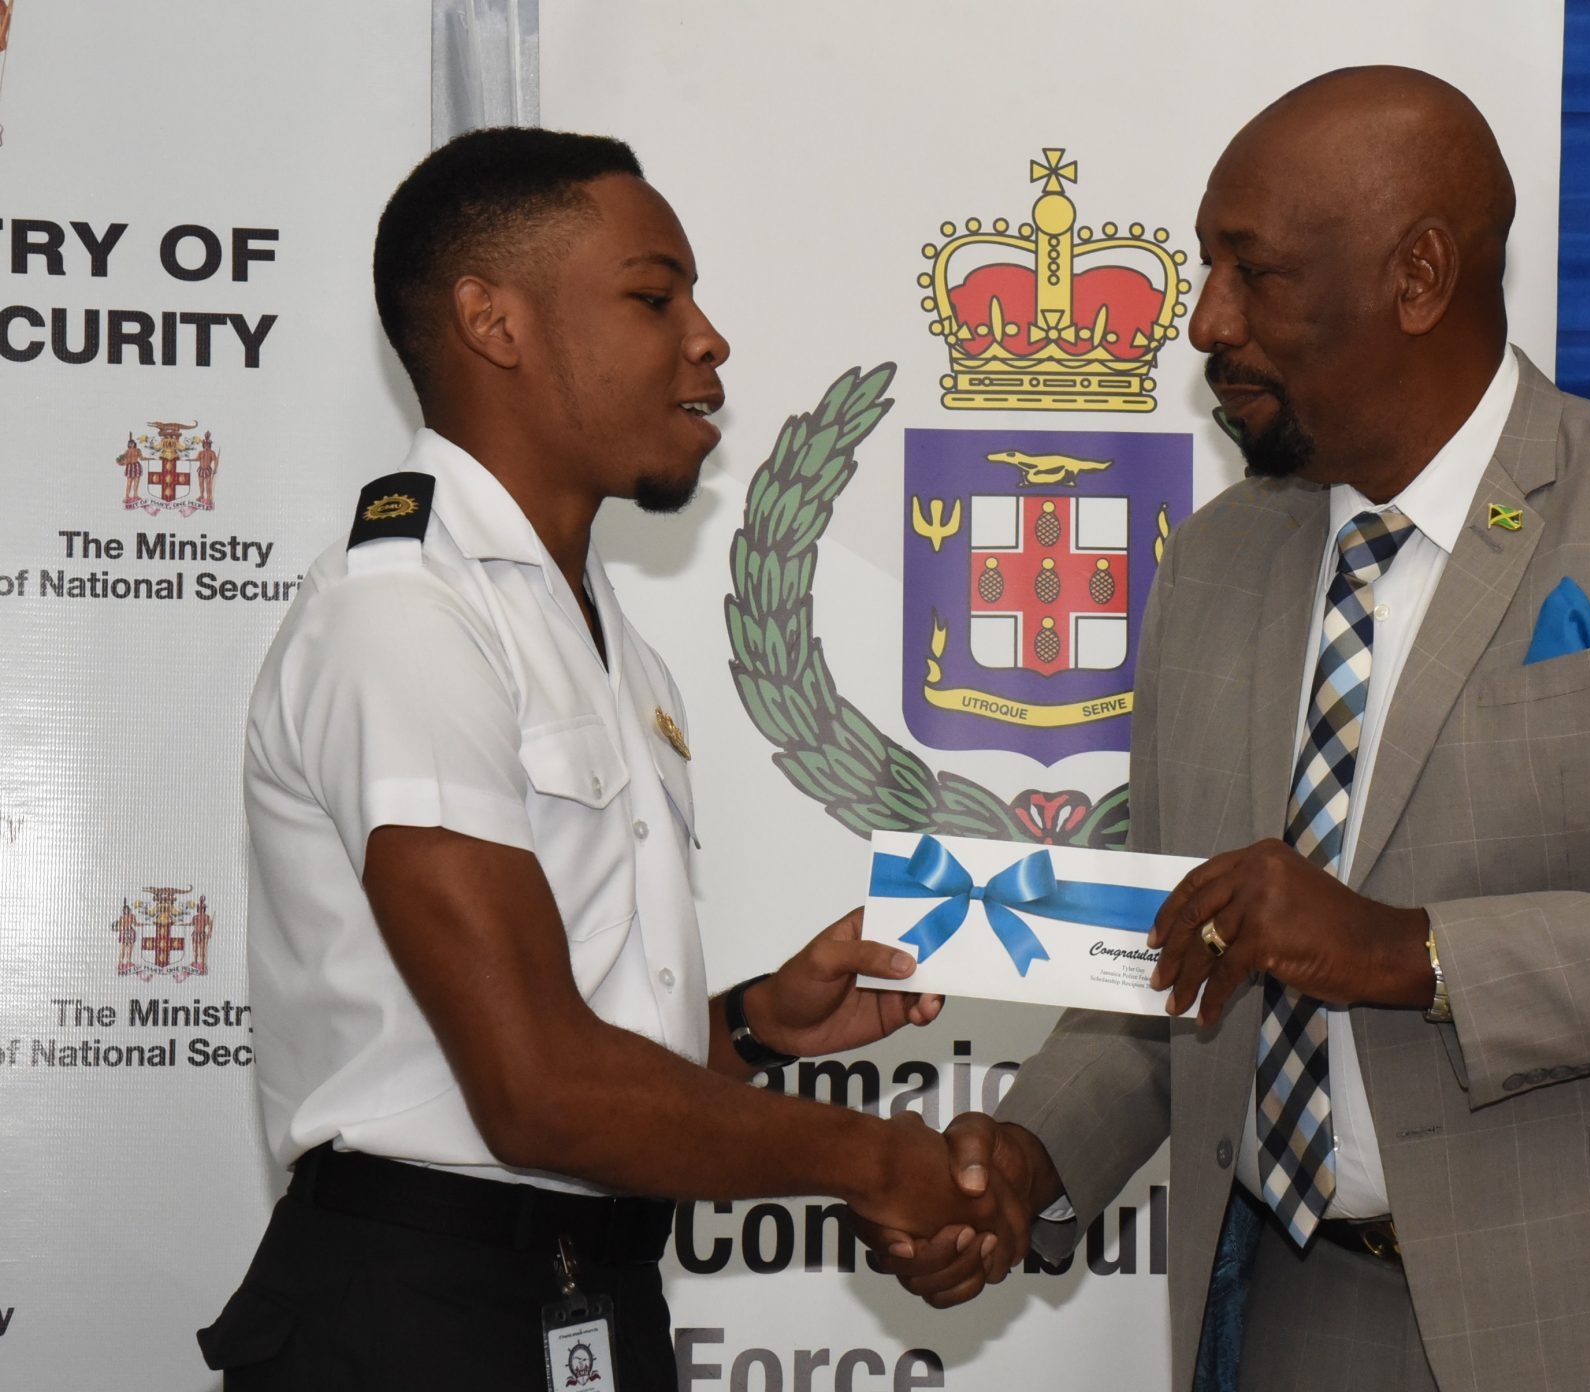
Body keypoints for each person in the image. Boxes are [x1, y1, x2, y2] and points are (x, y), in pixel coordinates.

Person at [876, 66, 1590, 1392]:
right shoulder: (1220, 561)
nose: (1203, 321)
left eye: (1256, 274)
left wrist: (1414, 953)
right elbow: (1171, 954)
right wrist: (1026, 1162)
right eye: (1204, 267)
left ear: (1418, 276)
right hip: (1303, 1320)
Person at [198, 128, 1019, 1392]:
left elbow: (558, 1037)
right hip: (416, 1323)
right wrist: (868, 1159)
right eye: (653, 296)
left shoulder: (598, 637)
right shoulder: (405, 611)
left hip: (584, 1300)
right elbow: (531, 1087)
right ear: (493, 321)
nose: (707, 338)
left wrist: (750, 1026)